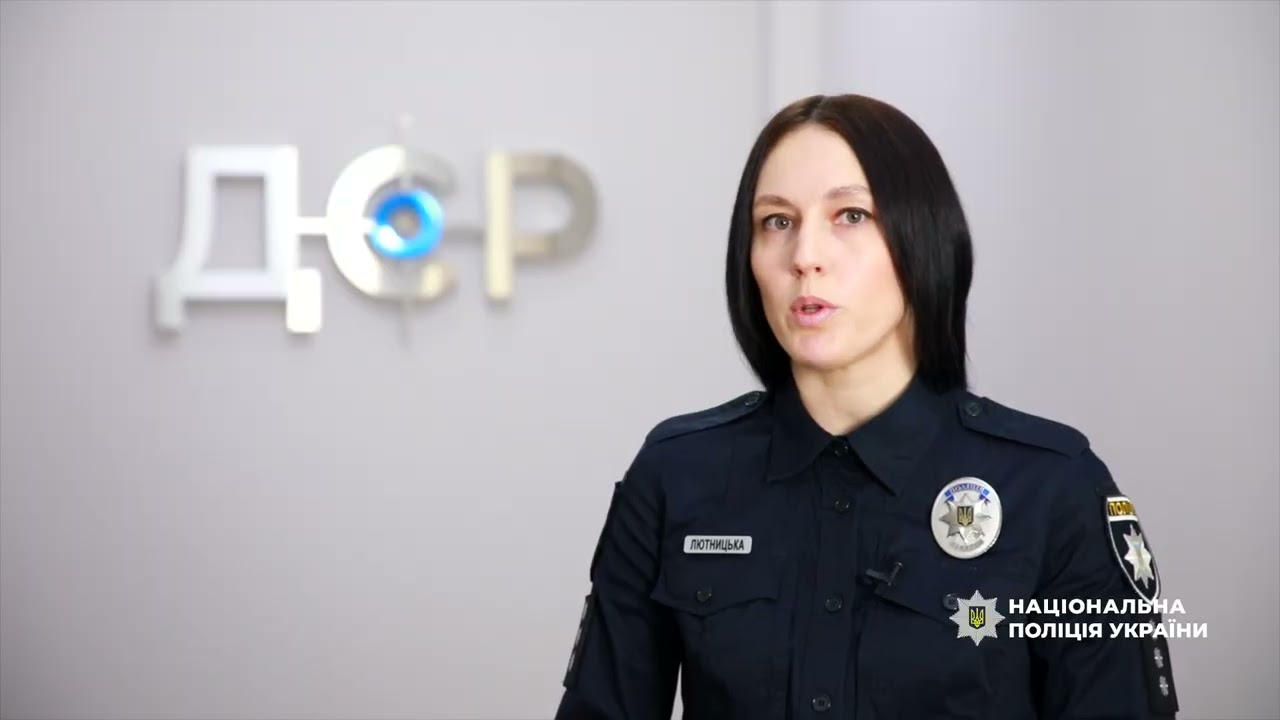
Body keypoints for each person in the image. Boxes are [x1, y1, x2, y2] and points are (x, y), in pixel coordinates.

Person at [553, 94, 1179, 720]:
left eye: (850, 215)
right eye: (777, 221)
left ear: (922, 238)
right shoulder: (677, 474)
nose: (804, 256)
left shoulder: (1053, 488)